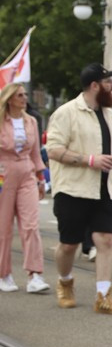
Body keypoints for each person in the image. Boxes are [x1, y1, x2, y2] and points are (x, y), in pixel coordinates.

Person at [45, 64, 112, 314]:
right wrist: (89, 160)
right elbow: (53, 150)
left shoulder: (110, 115)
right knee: (69, 244)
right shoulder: (66, 113)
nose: (111, 87)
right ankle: (65, 282)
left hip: (105, 191)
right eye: (107, 83)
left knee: (104, 240)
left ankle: (103, 297)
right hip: (73, 189)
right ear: (95, 85)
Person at [0, 83, 49, 293]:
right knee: (4, 229)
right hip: (3, 174)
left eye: (25, 94)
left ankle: (35, 275)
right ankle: (4, 274)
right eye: (20, 95)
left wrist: (41, 178)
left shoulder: (31, 121)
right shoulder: (1, 121)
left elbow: (36, 153)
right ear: (10, 99)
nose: (24, 98)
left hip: (27, 173)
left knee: (30, 225)